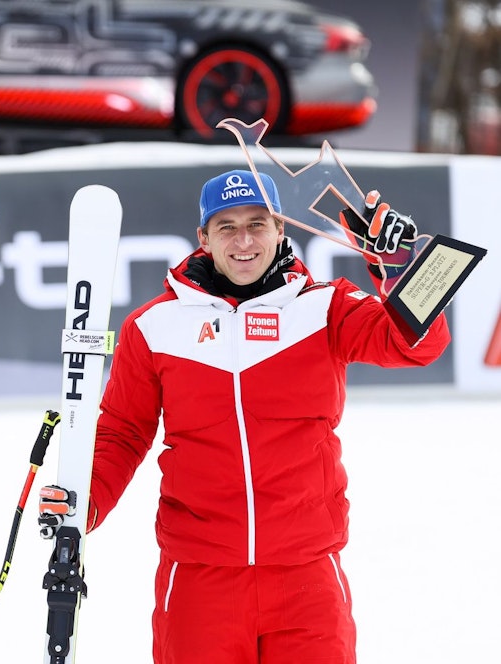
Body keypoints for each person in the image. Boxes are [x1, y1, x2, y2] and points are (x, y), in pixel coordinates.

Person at [38, 169, 450, 663]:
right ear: (204, 238)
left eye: (258, 223)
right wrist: (85, 503)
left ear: (281, 230)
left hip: (306, 577)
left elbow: (417, 346)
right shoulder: (155, 327)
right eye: (227, 227)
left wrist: (399, 269)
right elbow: (123, 432)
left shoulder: (325, 308)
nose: (244, 240)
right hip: (199, 579)